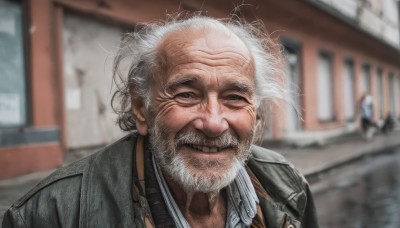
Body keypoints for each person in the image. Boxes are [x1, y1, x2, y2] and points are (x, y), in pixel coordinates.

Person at [2, 16, 319, 228]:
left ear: (257, 113)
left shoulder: (288, 186)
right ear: (142, 108)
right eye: (186, 94)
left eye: (234, 98)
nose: (213, 122)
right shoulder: (52, 214)